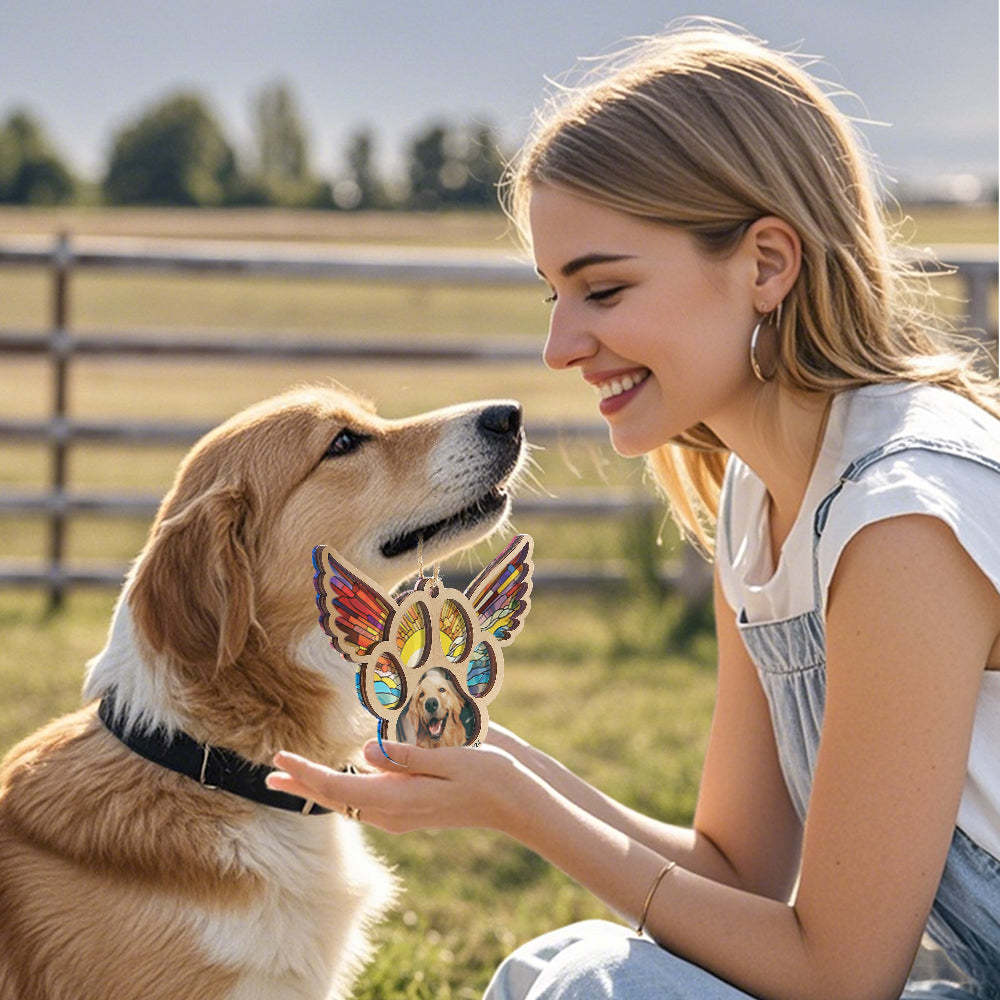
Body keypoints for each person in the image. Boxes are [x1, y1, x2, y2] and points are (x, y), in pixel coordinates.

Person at [266, 17, 1000, 1000]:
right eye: (552, 298)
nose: (562, 347)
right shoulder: (761, 500)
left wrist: (527, 812)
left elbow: (837, 974)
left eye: (602, 289)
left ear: (766, 265)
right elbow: (736, 873)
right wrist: (496, 767)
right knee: (560, 966)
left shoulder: (902, 518)